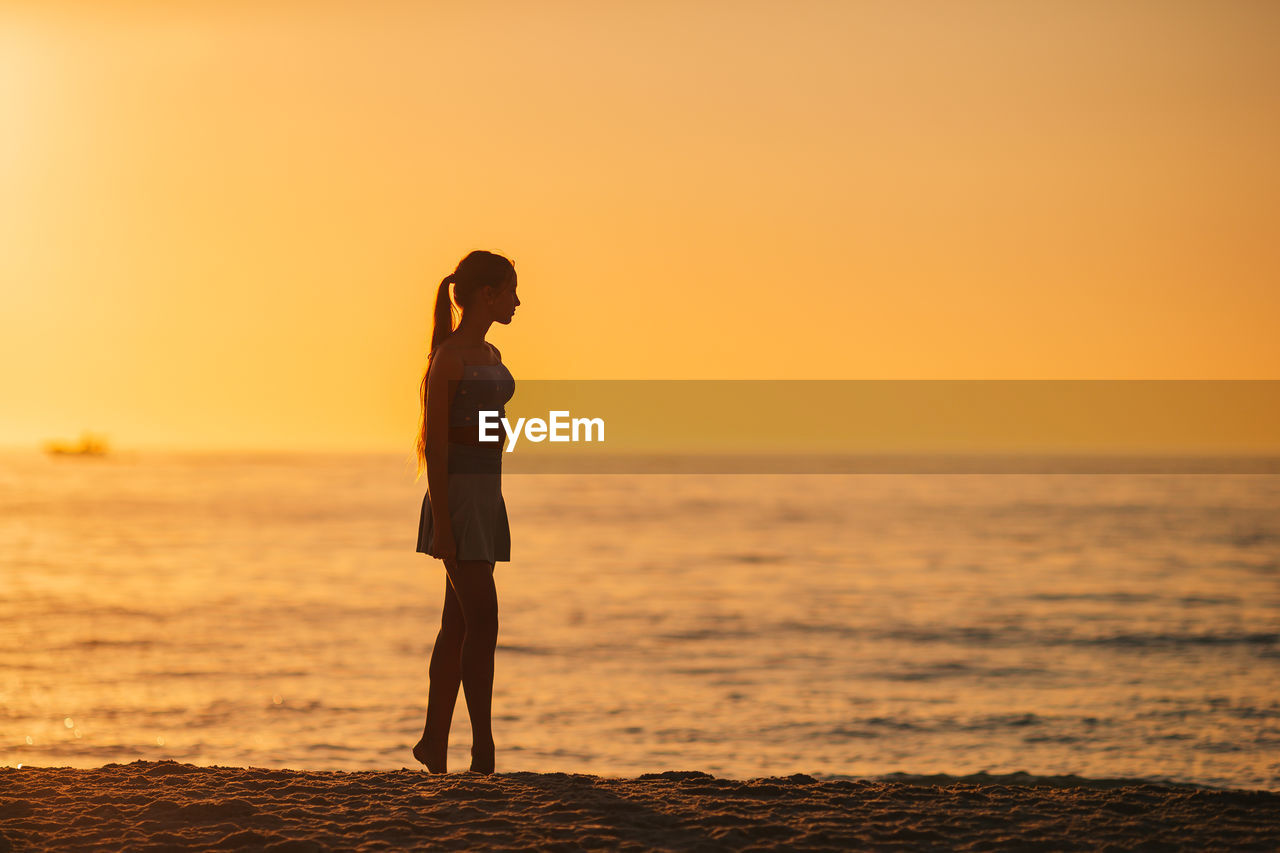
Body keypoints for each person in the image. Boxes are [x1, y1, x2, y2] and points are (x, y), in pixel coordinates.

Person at [411, 250, 519, 774]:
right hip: (457, 498)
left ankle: (433, 742)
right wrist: (446, 527)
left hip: (486, 494)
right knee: (484, 619)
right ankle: (483, 751)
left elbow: (487, 426)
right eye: (511, 290)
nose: (518, 301)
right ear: (486, 295)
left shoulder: (493, 355)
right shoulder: (449, 357)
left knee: (456, 627)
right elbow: (435, 447)